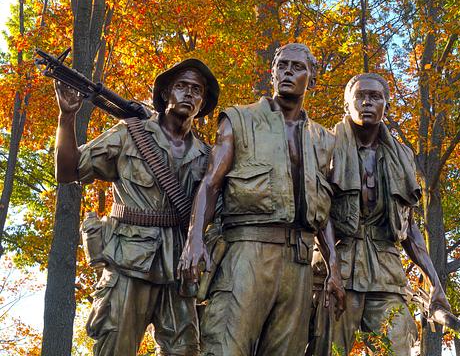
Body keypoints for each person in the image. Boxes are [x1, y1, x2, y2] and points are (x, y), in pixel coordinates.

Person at [177, 43, 345, 356]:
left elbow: (323, 211)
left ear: (313, 78)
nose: (288, 73)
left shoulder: (324, 139)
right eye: (282, 66)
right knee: (225, 348)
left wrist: (334, 268)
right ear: (272, 73)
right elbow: (211, 184)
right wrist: (194, 240)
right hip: (247, 252)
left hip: (299, 263)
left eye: (297, 67)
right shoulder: (239, 120)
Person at [54, 59, 219, 356]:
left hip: (179, 270)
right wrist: (66, 118)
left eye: (197, 90)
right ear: (166, 93)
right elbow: (67, 171)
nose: (189, 94)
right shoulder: (129, 134)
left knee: (186, 351)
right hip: (128, 262)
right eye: (181, 86)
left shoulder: (207, 156)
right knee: (115, 348)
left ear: (203, 103)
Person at [318, 72, 452, 355]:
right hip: (339, 266)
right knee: (327, 349)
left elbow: (409, 228)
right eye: (360, 96)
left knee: (398, 342)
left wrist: (434, 281)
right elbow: (320, 214)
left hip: (386, 270)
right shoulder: (326, 147)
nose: (367, 102)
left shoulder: (401, 157)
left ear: (385, 106)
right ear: (347, 105)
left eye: (375, 97)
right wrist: (332, 269)